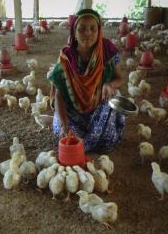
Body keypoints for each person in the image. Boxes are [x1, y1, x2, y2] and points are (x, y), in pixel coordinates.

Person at [48, 9, 125, 153]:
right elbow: (59, 95)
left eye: (93, 29)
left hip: (99, 106)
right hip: (73, 110)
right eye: (82, 29)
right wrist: (65, 126)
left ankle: (82, 145)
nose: (88, 33)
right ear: (74, 32)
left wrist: (110, 84)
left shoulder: (107, 50)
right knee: (62, 130)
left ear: (99, 31)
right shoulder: (67, 58)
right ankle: (83, 143)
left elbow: (119, 78)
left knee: (107, 142)